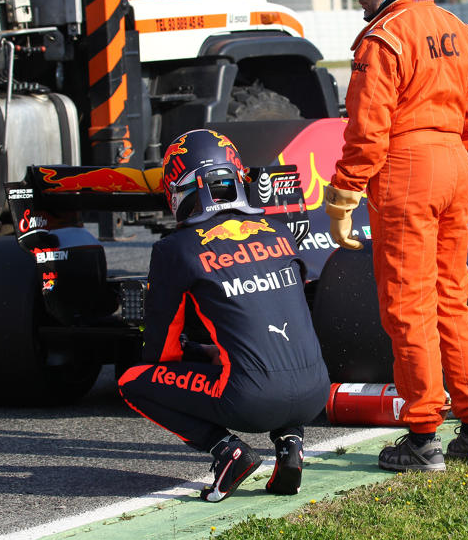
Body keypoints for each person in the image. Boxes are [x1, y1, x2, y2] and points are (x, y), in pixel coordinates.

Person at [327, 0, 468, 472]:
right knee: (453, 298)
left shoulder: (384, 37)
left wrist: (343, 194)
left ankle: (423, 436)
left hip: (406, 168)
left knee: (408, 306)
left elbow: (368, 129)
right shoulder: (459, 28)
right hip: (453, 165)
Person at [118, 129, 330, 501]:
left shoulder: (175, 249)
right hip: (317, 392)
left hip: (251, 400)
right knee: (270, 355)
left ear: (179, 189)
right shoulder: (280, 232)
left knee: (133, 380)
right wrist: (213, 353)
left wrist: (194, 356)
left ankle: (227, 451)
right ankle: (289, 443)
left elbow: (161, 349)